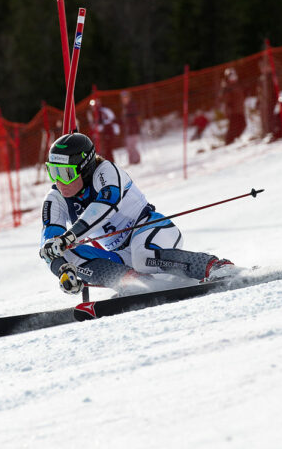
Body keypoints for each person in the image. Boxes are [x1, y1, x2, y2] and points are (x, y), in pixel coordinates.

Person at [39, 133, 237, 295]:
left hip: (153, 231)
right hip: (121, 255)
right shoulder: (55, 198)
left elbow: (105, 205)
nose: (59, 181)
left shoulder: (106, 171)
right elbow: (49, 245)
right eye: (53, 171)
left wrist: (70, 236)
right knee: (64, 251)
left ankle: (215, 266)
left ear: (85, 168)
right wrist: (63, 271)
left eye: (65, 174)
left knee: (142, 255)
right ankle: (137, 284)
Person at [219, 67, 246, 145]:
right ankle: (229, 141)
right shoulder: (227, 87)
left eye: (234, 76)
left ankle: (233, 139)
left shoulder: (237, 85)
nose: (233, 78)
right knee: (234, 126)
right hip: (233, 111)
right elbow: (226, 99)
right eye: (231, 77)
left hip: (240, 109)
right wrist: (229, 107)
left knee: (242, 125)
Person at [120, 90, 142, 165]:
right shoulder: (125, 107)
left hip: (133, 130)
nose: (124, 100)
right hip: (129, 130)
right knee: (129, 146)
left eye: (125, 98)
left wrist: (134, 127)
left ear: (129, 98)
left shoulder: (132, 106)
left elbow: (134, 118)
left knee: (131, 146)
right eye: (123, 98)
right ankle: (132, 161)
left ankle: (136, 160)